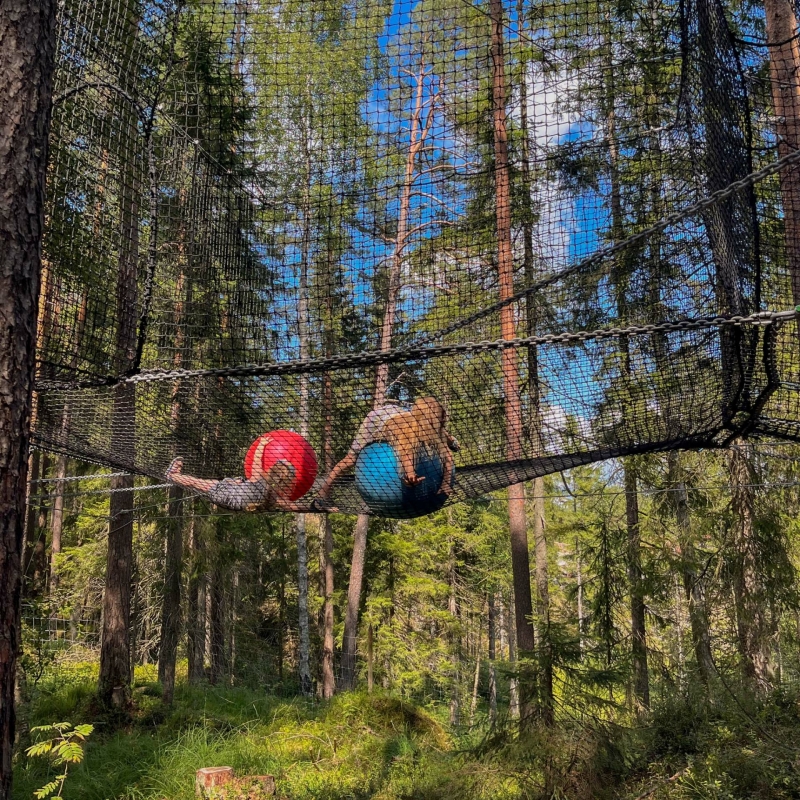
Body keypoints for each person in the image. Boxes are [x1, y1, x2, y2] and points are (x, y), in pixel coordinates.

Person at [313, 396, 459, 510]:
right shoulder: (406, 430)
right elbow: (406, 453)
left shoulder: (433, 426)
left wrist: (446, 484)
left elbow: (447, 457)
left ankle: (452, 440)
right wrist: (410, 475)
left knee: (437, 436)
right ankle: (324, 492)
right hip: (378, 419)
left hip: (405, 413)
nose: (444, 420)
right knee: (352, 458)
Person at [165, 436, 308, 512]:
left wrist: (262, 443)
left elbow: (257, 460)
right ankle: (174, 476)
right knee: (237, 483)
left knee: (197, 482)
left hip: (226, 494)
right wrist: (312, 506)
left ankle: (172, 475)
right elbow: (291, 506)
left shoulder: (259, 480)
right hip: (233, 501)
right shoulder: (273, 497)